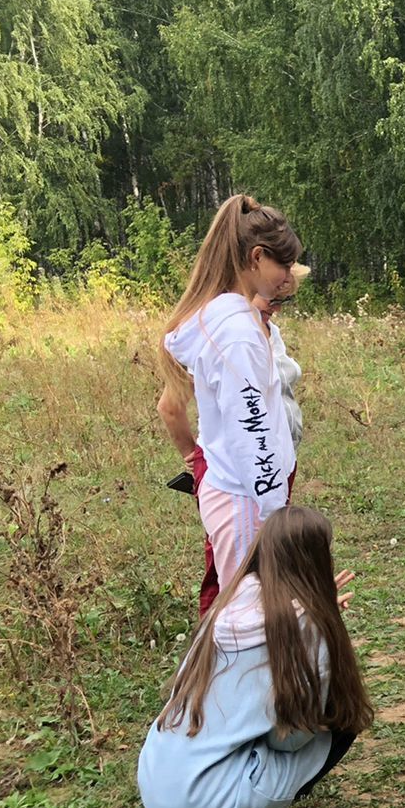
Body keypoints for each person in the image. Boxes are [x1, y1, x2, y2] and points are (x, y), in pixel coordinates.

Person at [138, 507, 370, 808]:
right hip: (210, 806)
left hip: (159, 788)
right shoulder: (307, 632)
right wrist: (325, 622)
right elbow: (291, 740)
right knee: (343, 721)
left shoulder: (227, 606)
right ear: (317, 560)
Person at [160, 195, 302, 597]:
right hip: (247, 503)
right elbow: (252, 431)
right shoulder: (237, 333)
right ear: (257, 257)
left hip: (238, 492)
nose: (288, 277)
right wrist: (275, 514)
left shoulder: (221, 314)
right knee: (249, 614)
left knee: (243, 606)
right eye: (284, 265)